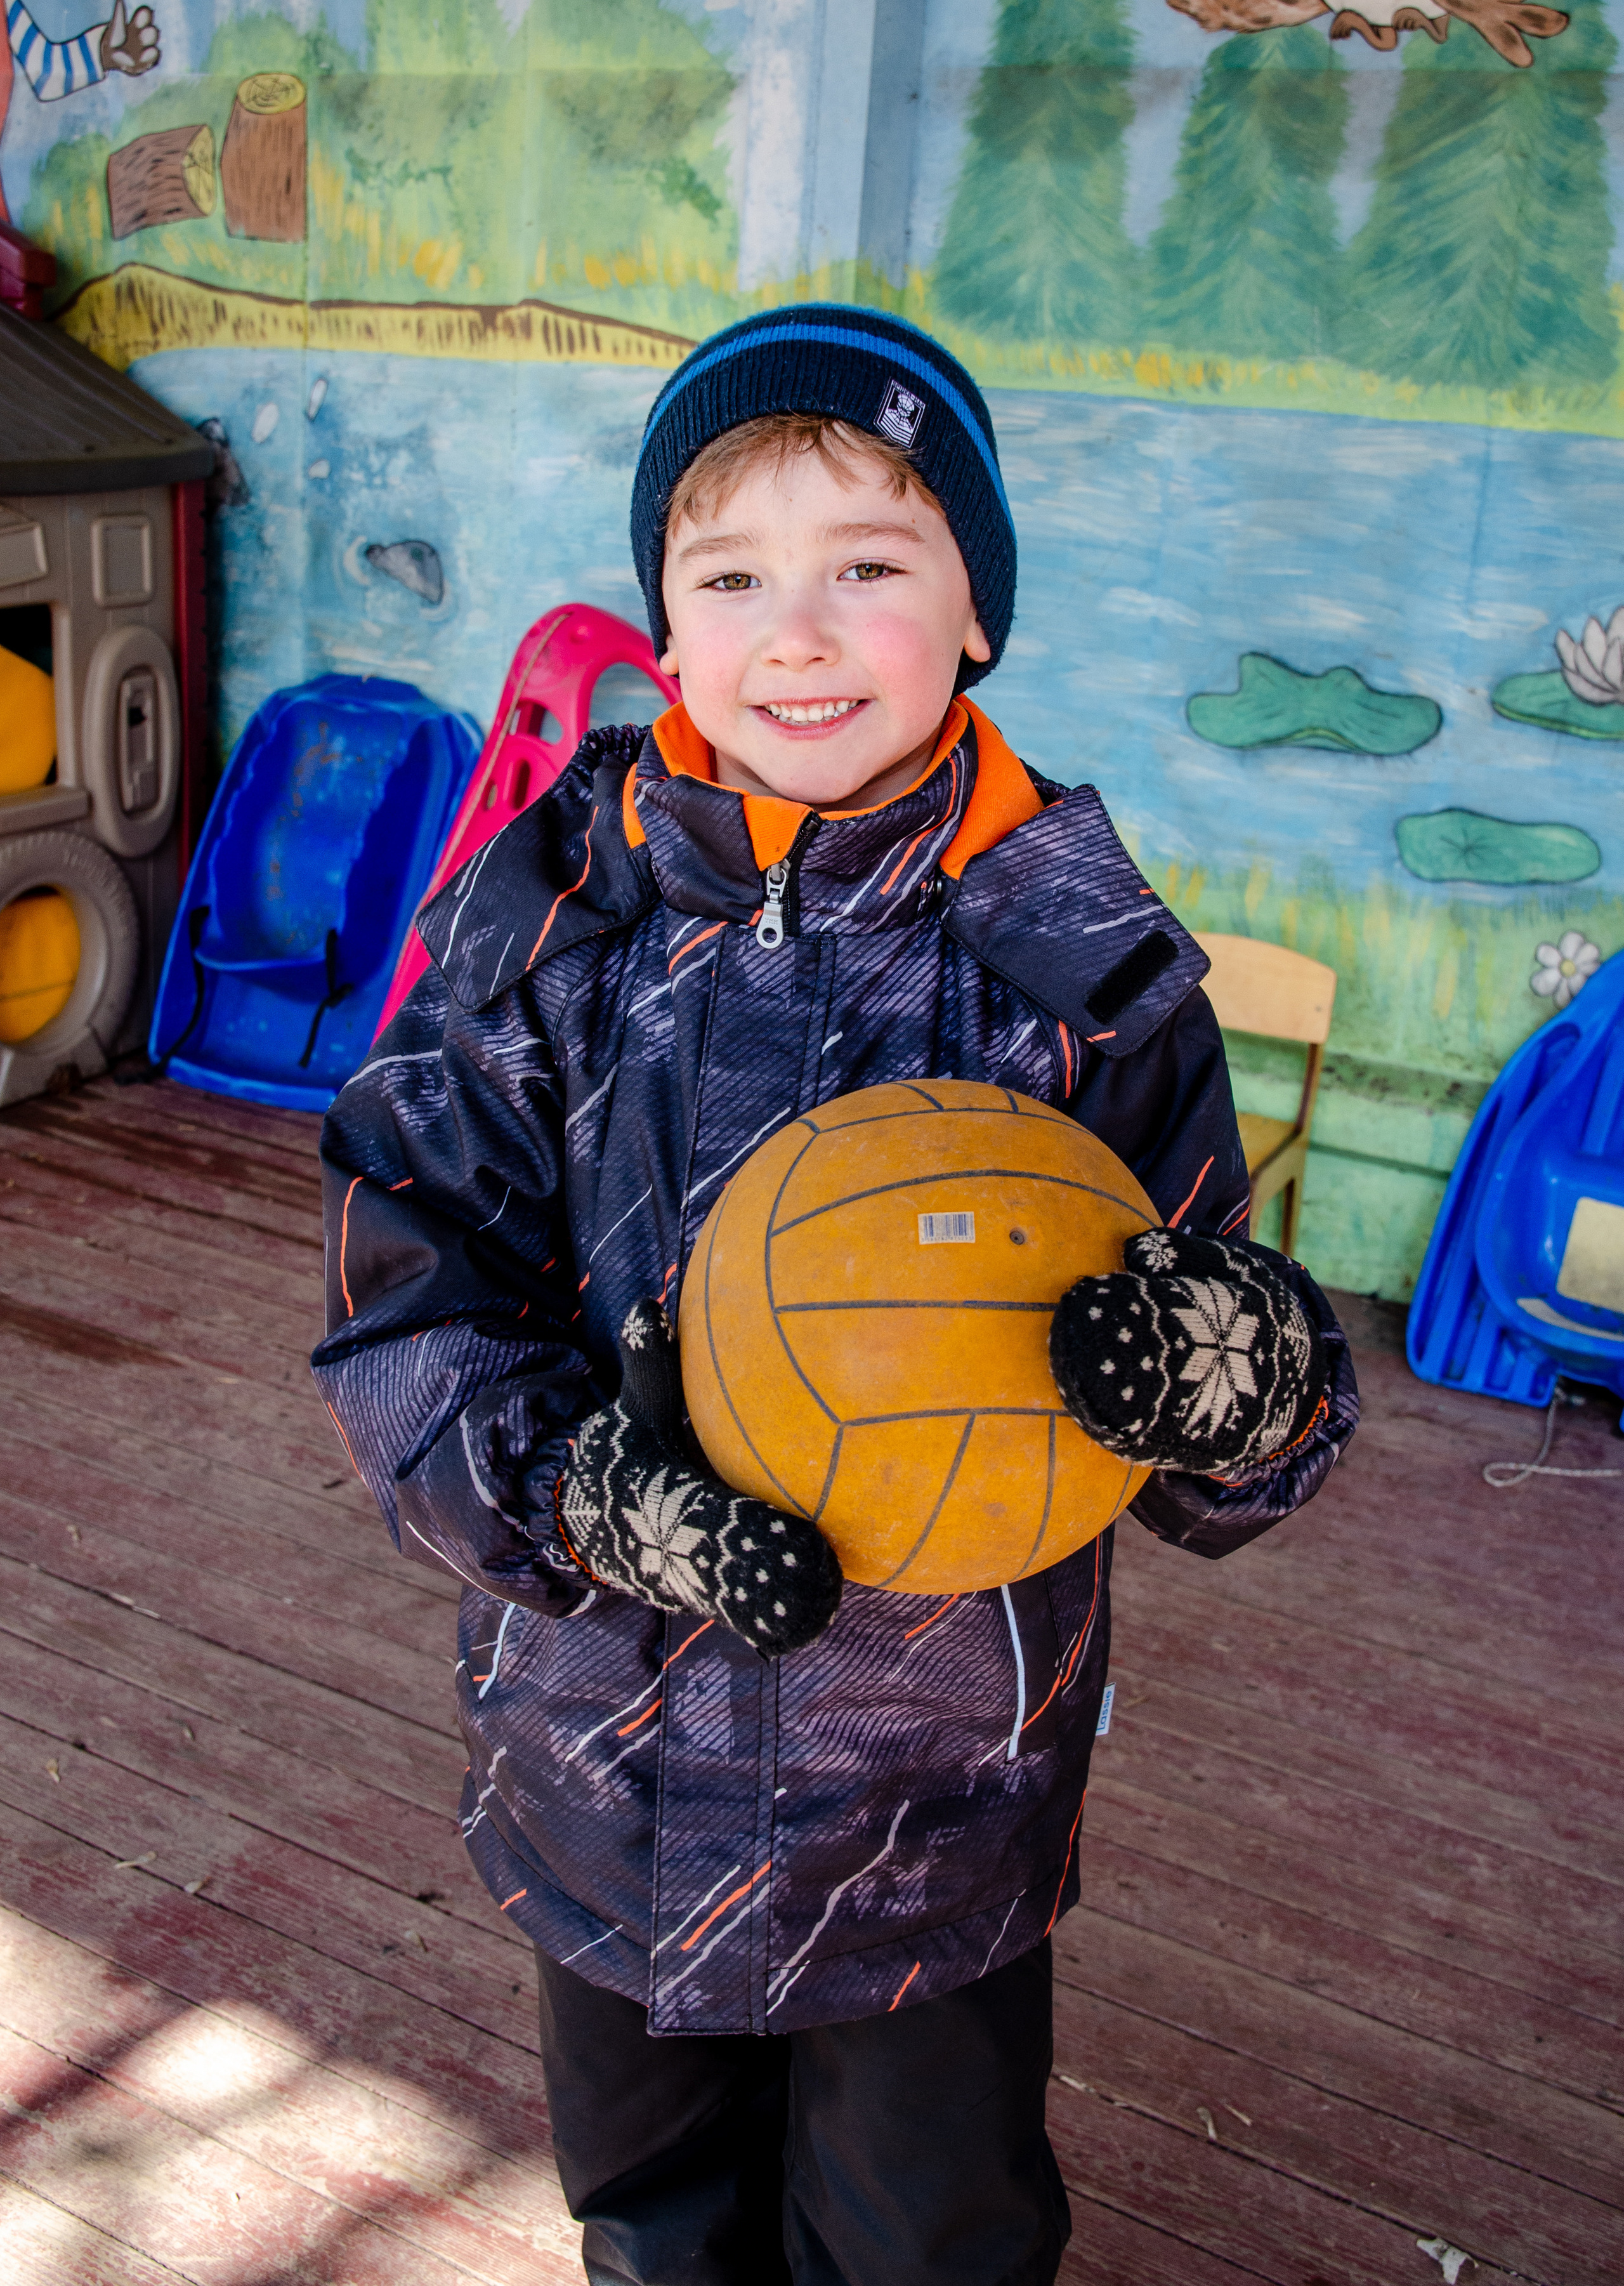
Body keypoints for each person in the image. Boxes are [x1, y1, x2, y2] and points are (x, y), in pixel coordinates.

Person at [313, 304, 1359, 2286]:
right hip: (601, 1758)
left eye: (869, 566)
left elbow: (1251, 1427)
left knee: (929, 2239)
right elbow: (403, 1284)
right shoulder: (549, 918)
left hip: (932, 1813)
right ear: (665, 629)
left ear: (977, 615)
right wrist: (581, 1497)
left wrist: (1240, 1372)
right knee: (655, 2222)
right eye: (733, 577)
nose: (797, 632)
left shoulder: (1088, 974)